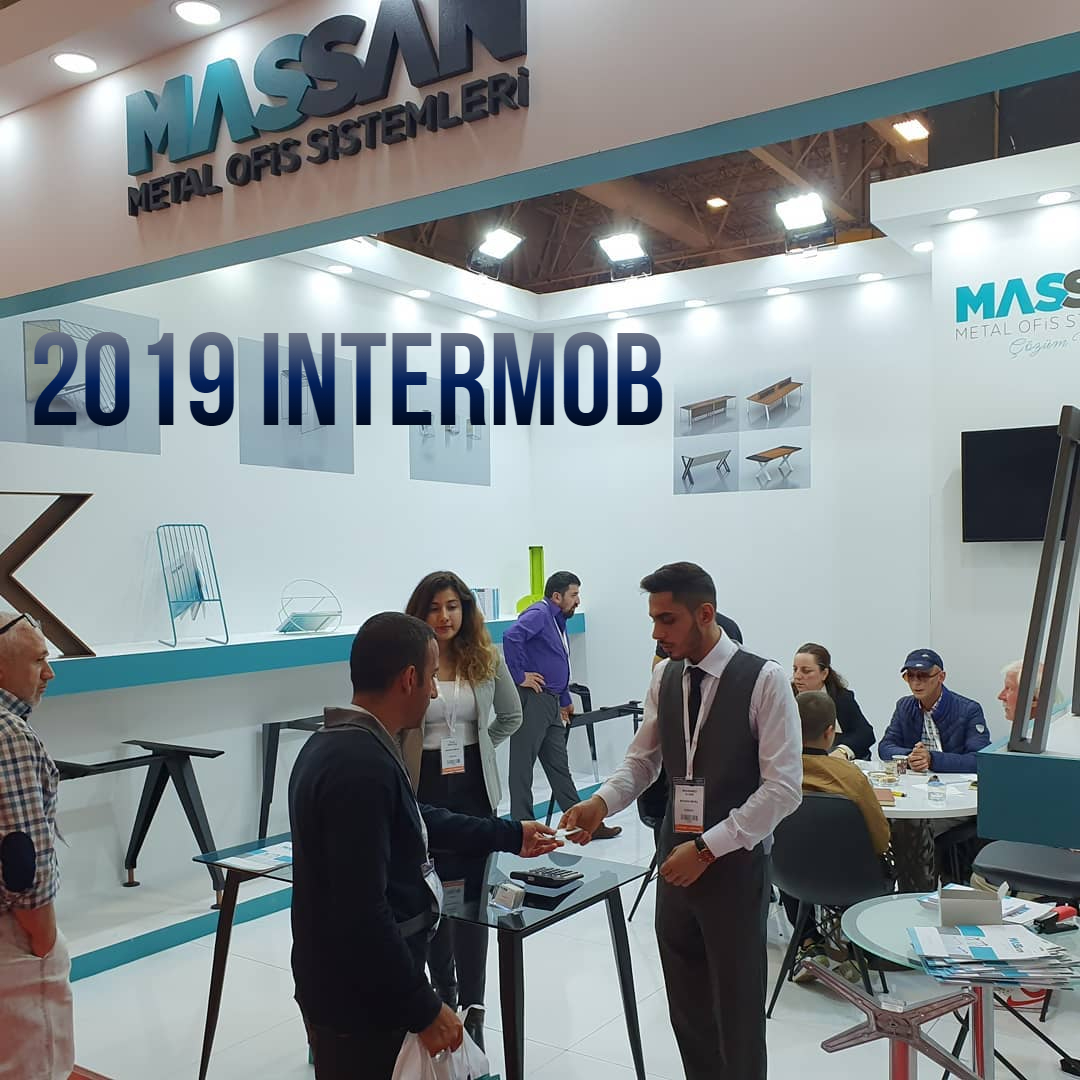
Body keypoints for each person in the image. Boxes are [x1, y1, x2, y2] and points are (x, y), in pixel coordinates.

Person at [288, 612, 561, 1079]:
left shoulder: (339, 744)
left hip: (350, 988)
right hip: (362, 1002)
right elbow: (362, 911)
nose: (435, 692)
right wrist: (424, 1007)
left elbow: (415, 819)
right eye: (432, 677)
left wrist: (510, 834)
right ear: (409, 678)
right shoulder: (359, 766)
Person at [559, 562, 802, 1080]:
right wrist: (600, 803)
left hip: (733, 867)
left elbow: (783, 789)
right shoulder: (664, 677)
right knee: (686, 1005)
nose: (656, 632)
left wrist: (709, 848)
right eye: (653, 619)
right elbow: (643, 762)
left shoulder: (765, 680)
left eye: (666, 619)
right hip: (674, 860)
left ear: (705, 613)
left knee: (737, 1009)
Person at [400, 571, 523, 1050]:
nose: (444, 616)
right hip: (424, 786)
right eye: (434, 607)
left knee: (473, 903)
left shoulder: (486, 657)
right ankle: (443, 998)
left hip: (473, 790)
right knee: (431, 898)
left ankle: (474, 1009)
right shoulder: (409, 661)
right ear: (420, 612)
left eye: (452, 606)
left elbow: (511, 715)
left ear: (465, 610)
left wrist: (482, 748)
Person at [0, 611, 75, 1080]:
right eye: (38, 661)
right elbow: (21, 862)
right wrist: (43, 945)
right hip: (12, 943)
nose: (49, 673)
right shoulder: (8, 734)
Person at [502, 571, 621, 838]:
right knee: (522, 766)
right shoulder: (539, 614)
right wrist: (519, 676)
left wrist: (565, 700)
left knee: (559, 766)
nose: (578, 601)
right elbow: (511, 637)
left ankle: (582, 823)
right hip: (534, 700)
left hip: (552, 702)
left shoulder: (557, 619)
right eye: (574, 595)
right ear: (557, 596)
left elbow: (558, 660)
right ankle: (523, 828)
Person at [785, 690, 892, 983]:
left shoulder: (776, 772)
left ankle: (808, 945)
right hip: (852, 879)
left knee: (794, 853)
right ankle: (857, 952)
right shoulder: (850, 777)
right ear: (830, 732)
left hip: (789, 877)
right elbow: (880, 839)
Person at [878, 649, 990, 773]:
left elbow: (980, 759)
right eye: (910, 676)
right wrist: (911, 757)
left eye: (923, 675)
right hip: (915, 780)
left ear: (941, 677)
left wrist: (932, 759)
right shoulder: (904, 706)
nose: (915, 683)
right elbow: (885, 747)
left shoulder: (969, 710)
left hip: (955, 781)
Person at [791, 643, 876, 760]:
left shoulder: (841, 698)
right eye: (795, 669)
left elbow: (865, 734)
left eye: (806, 671)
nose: (797, 676)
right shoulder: (786, 697)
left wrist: (843, 751)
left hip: (834, 758)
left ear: (824, 673)